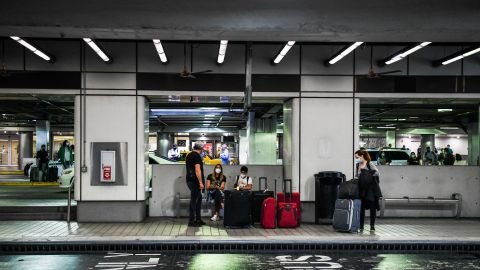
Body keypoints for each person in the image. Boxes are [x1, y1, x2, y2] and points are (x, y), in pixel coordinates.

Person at [355, 149, 382, 232]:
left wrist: (367, 174)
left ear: (362, 156)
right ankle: (361, 225)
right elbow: (357, 176)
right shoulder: (358, 165)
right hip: (362, 189)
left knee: (372, 208)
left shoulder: (369, 163)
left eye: (357, 157)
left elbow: (377, 173)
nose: (356, 158)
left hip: (370, 189)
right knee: (361, 207)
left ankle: (372, 225)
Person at [185, 143, 205, 227]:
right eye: (202, 149)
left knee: (198, 198)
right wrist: (200, 182)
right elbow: (197, 170)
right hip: (195, 181)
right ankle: (192, 221)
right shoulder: (197, 156)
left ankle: (198, 219)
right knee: (194, 200)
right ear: (201, 149)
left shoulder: (189, 155)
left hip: (189, 180)